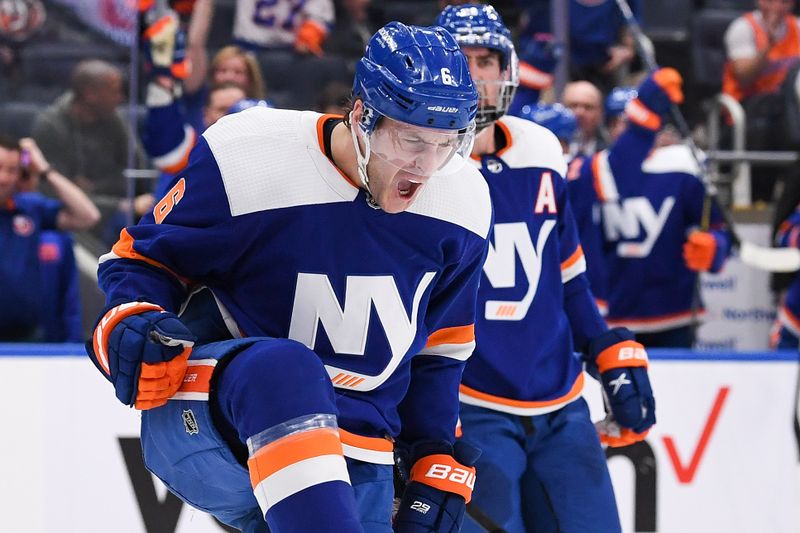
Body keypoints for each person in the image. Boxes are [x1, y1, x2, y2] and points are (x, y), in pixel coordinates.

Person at [87, 21, 491, 533]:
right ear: (363, 115)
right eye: (411, 138)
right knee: (288, 370)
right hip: (219, 416)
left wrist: (433, 452)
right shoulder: (253, 155)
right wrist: (132, 315)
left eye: (446, 143)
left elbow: (440, 349)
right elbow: (144, 260)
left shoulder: (464, 201)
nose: (427, 164)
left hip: (359, 448)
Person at [436, 5, 656, 533]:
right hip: (468, 408)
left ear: (506, 68)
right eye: (458, 60)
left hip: (560, 404)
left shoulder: (538, 148)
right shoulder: (416, 170)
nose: (473, 74)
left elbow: (568, 279)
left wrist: (605, 348)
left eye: (485, 59)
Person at [569, 68, 733, 347]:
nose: (624, 129)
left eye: (629, 121)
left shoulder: (684, 166)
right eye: (618, 122)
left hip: (674, 313)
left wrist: (714, 247)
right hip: (609, 315)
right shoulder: (592, 169)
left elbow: (719, 229)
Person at [0, 135, 99, 341]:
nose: (4, 178)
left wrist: (44, 169)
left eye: (12, 170)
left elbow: (88, 216)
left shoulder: (29, 207)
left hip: (26, 336)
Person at [723, 0, 800, 202]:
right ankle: (759, 196)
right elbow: (744, 76)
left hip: (785, 108)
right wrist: (769, 46)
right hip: (746, 108)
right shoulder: (744, 28)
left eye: (784, 1)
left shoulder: (797, 27)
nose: (777, 6)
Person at [563, 79, 607, 158]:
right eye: (573, 105)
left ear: (600, 113)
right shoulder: (549, 146)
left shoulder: (608, 149)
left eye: (588, 107)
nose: (580, 113)